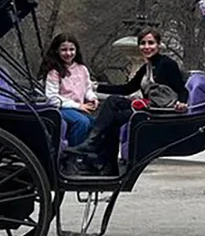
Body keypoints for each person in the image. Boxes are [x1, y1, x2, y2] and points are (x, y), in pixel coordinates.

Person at [64, 29, 190, 176]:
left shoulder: (167, 64)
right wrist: (97, 86)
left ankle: (97, 151)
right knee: (112, 102)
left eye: (151, 43)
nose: (146, 47)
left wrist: (182, 102)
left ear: (158, 45)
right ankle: (98, 151)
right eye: (143, 43)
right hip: (146, 106)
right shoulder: (146, 67)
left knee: (114, 119)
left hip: (157, 110)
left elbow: (182, 89)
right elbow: (127, 88)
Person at [38, 33, 99, 147]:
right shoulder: (54, 72)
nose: (68, 53)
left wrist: (92, 98)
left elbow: (87, 89)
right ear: (57, 51)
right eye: (64, 50)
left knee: (96, 125)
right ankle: (72, 154)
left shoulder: (82, 69)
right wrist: (77, 106)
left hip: (79, 109)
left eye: (72, 49)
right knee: (82, 123)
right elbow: (52, 98)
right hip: (61, 108)